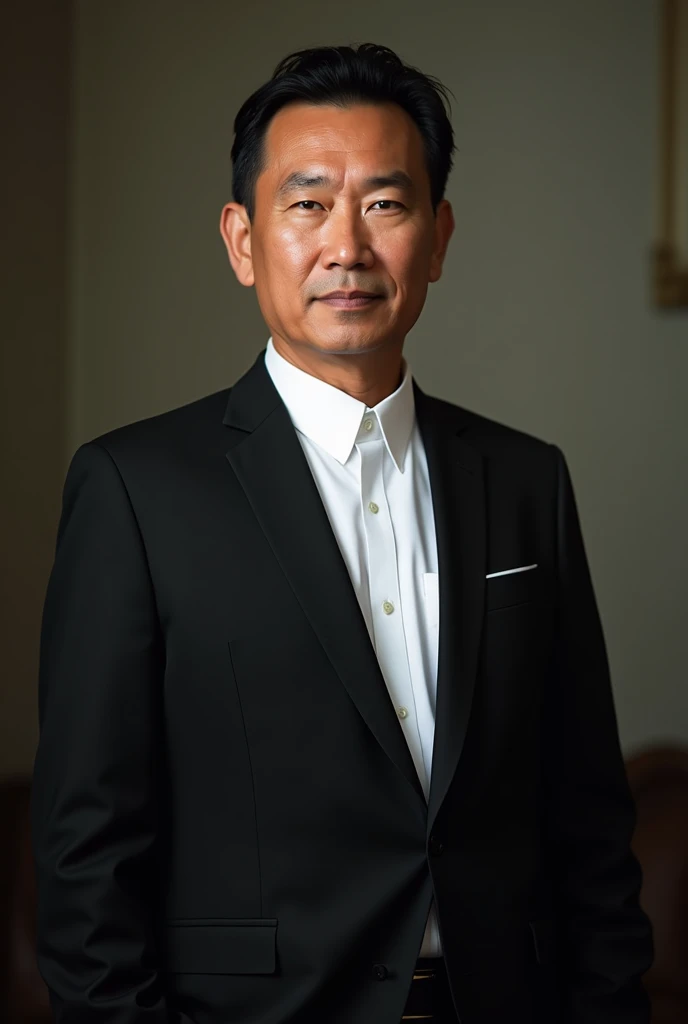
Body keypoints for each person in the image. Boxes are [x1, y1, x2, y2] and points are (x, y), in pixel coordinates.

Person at [31, 43, 653, 1024]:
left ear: (438, 238)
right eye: (308, 202)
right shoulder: (135, 489)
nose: (347, 247)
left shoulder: (527, 479)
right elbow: (86, 853)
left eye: (386, 204)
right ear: (242, 239)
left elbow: (587, 818)